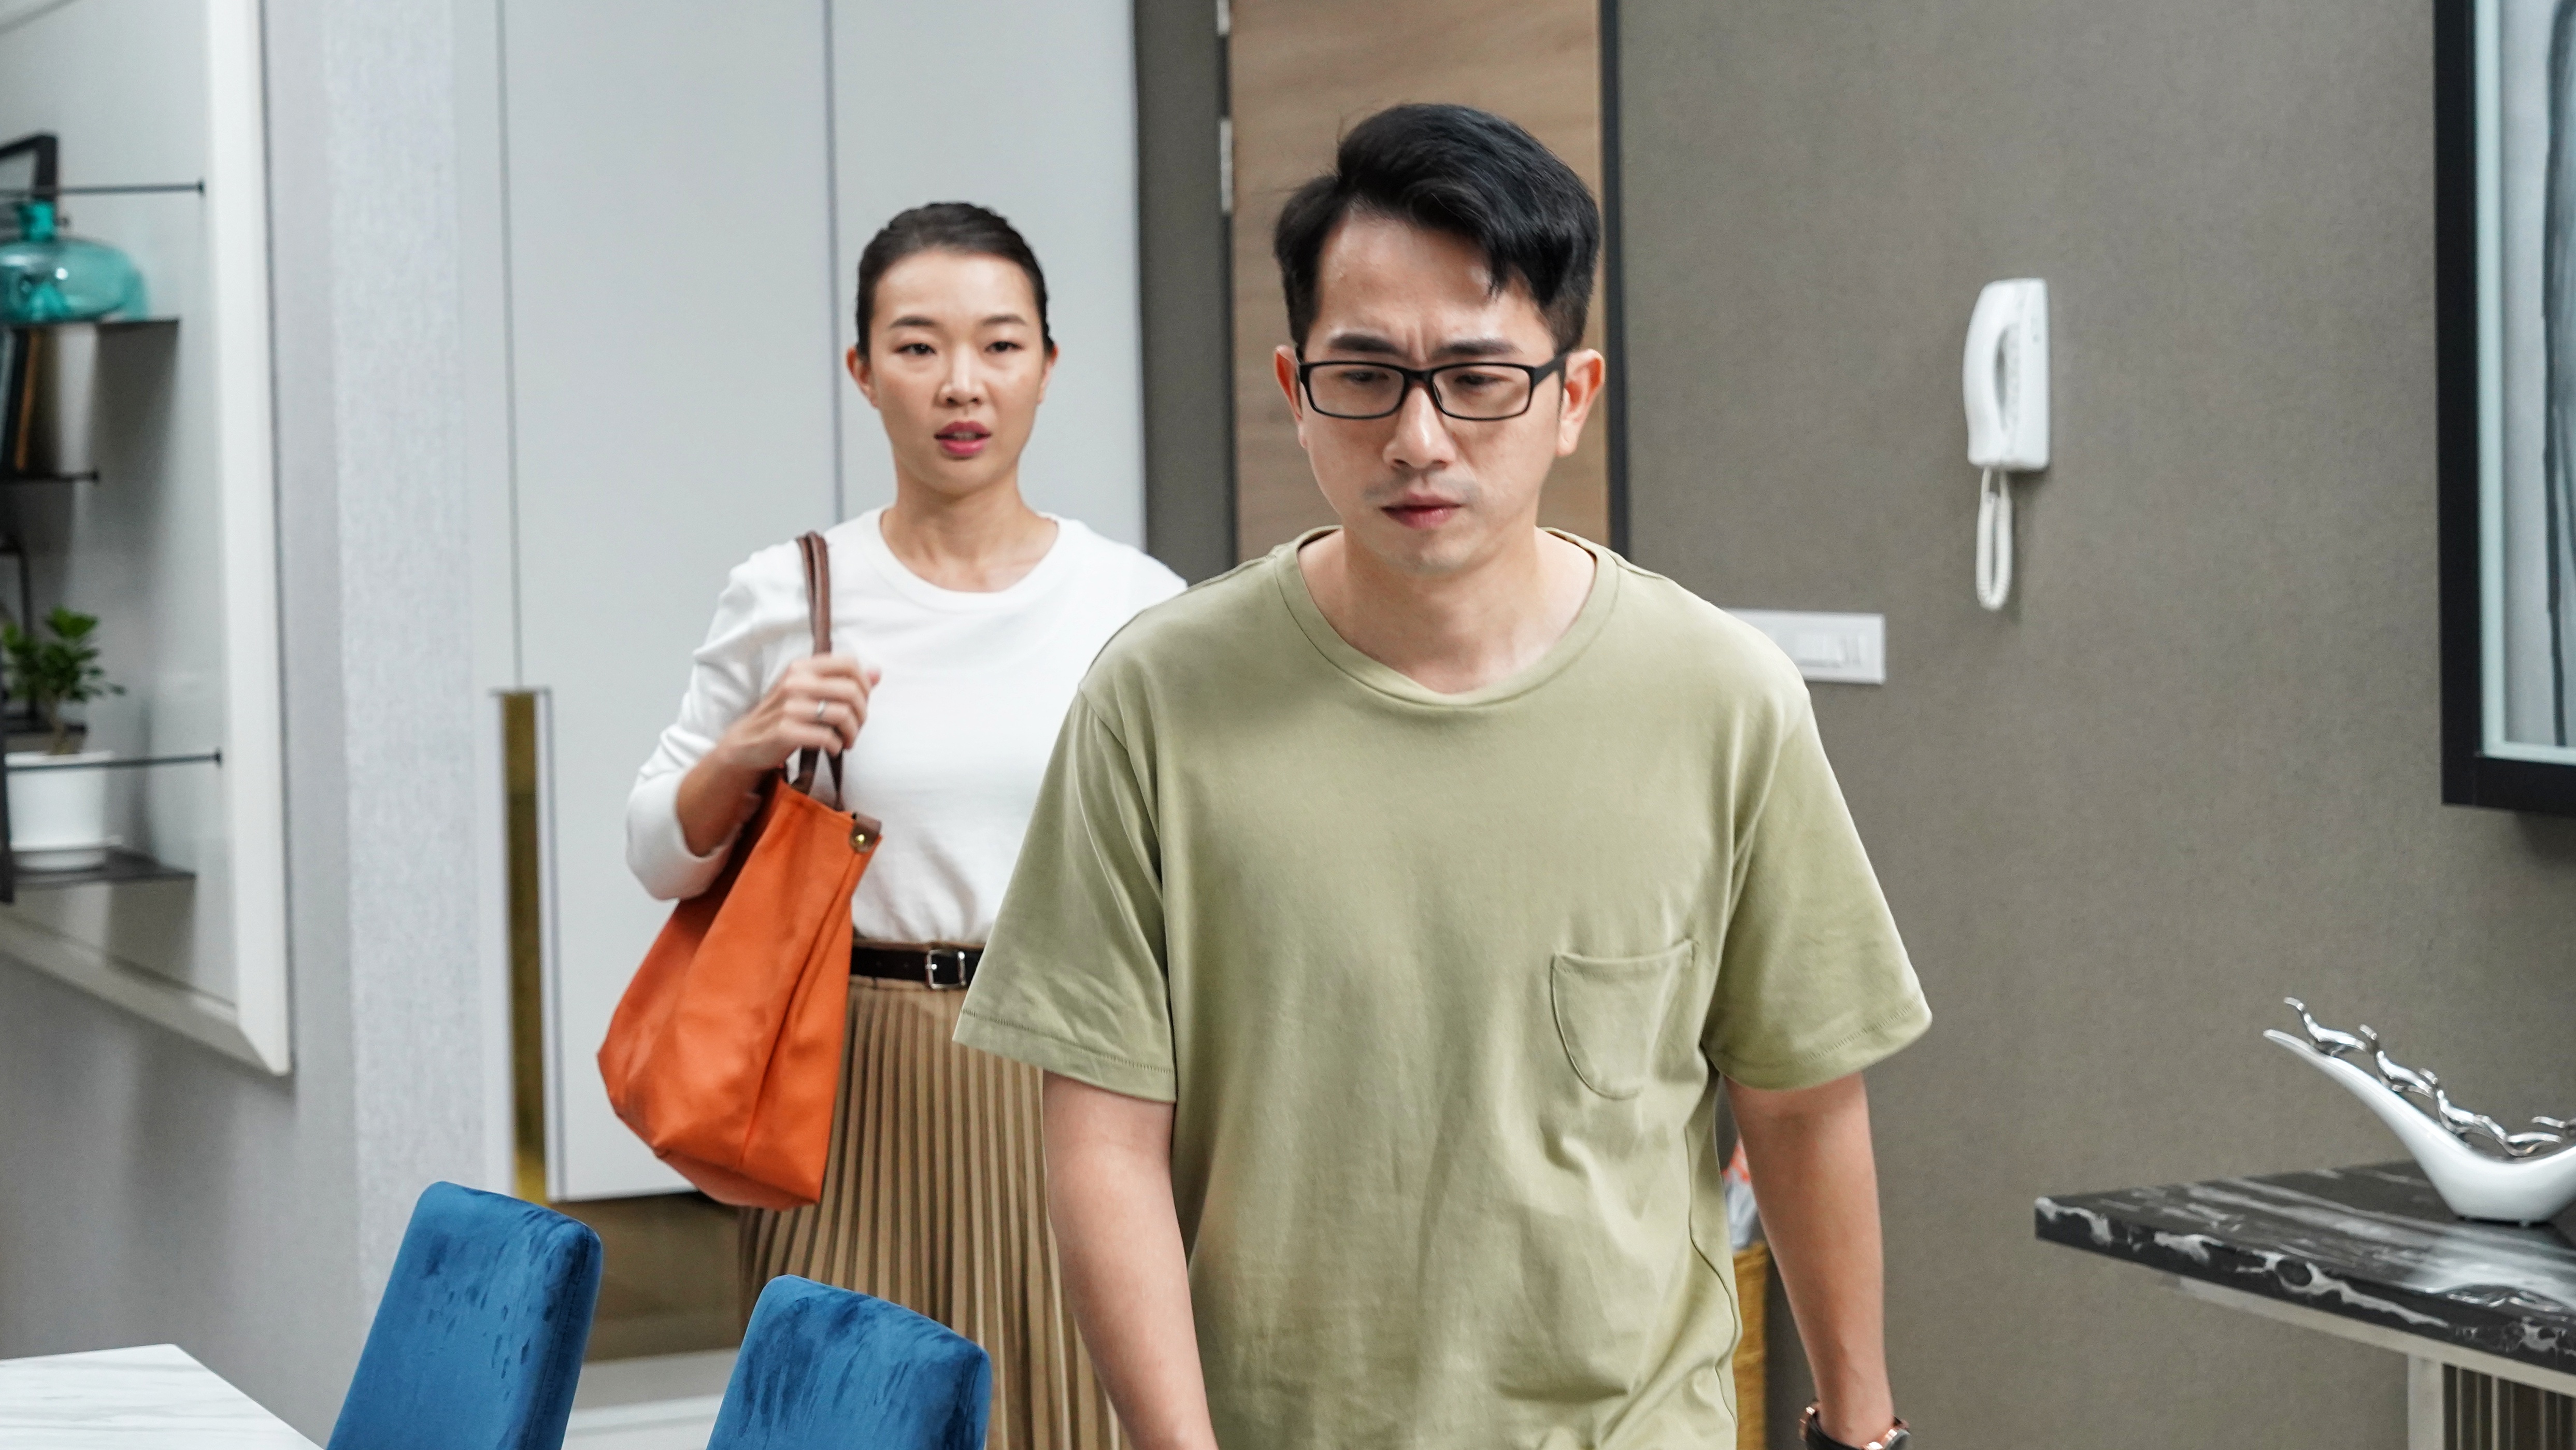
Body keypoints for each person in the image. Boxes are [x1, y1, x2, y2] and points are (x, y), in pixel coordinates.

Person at [955, 105, 1929, 1450]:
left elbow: (1801, 1103)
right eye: (1364, 375)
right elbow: (1105, 1140)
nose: (1418, 437)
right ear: (1295, 389)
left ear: (1571, 398)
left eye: (1476, 378)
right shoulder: (1157, 701)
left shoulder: (1721, 698)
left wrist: (1860, 1432)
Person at [627, 202, 1183, 1450]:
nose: (959, 383)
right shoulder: (791, 590)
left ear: (1048, 364)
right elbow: (657, 849)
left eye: (999, 344)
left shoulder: (1135, 604)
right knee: (845, 1411)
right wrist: (747, 747)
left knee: (1064, 1411)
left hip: (1073, 1063)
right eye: (918, 346)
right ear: (862, 369)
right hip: (853, 1071)